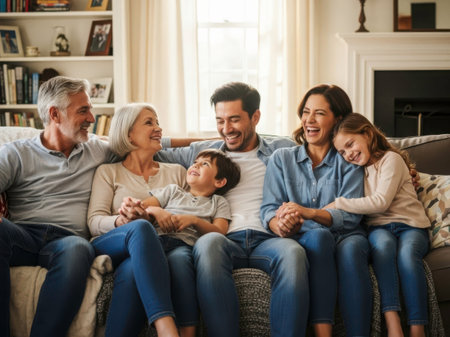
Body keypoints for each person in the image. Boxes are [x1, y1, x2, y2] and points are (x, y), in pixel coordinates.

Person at [128, 81, 310, 337]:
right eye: (220, 121)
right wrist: (204, 140)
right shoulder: (205, 152)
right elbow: (160, 147)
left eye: (234, 120)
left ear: (255, 117)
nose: (226, 129)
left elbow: (321, 146)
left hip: (269, 238)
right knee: (209, 243)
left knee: (293, 253)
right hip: (225, 238)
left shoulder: (281, 149)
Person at [0, 76, 117, 337]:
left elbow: (148, 144)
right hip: (23, 236)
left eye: (91, 109)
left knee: (78, 248)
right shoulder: (16, 153)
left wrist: (207, 142)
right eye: (83, 110)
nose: (92, 118)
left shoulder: (97, 149)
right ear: (55, 114)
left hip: (66, 240)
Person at [260, 84, 372, 337]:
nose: (309, 120)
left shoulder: (349, 158)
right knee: (319, 237)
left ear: (338, 120)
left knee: (352, 248)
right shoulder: (282, 158)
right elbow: (269, 208)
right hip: (303, 236)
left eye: (319, 113)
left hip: (345, 234)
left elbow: (352, 216)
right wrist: (280, 224)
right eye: (306, 112)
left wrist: (308, 212)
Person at [88, 103, 190, 337]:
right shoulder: (108, 172)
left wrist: (153, 214)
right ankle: (166, 326)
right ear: (128, 134)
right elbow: (94, 221)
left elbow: (190, 212)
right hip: (113, 243)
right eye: (149, 122)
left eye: (158, 122)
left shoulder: (177, 171)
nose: (159, 128)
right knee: (140, 227)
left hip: (154, 249)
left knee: (134, 269)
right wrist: (121, 221)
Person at [328, 113, 430, 337]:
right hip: (379, 228)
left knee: (407, 256)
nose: (349, 154)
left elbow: (381, 202)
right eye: (342, 152)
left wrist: (338, 204)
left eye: (350, 144)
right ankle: (392, 321)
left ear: (367, 133)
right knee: (382, 249)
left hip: (411, 226)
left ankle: (417, 326)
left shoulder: (391, 160)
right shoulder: (356, 170)